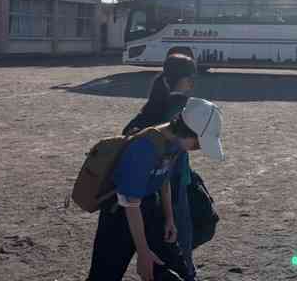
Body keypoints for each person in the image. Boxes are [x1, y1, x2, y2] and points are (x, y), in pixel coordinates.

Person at [87, 97, 225, 281]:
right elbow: (130, 203)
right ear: (187, 132)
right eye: (198, 143)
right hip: (119, 215)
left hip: (150, 208)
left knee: (178, 272)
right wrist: (143, 252)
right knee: (103, 276)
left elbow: (164, 180)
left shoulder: (175, 144)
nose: (198, 149)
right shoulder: (144, 148)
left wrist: (169, 219)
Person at [123, 54, 199, 280]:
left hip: (156, 188)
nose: (192, 84)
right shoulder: (178, 109)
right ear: (182, 80)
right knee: (177, 245)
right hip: (166, 188)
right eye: (189, 78)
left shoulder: (154, 106)